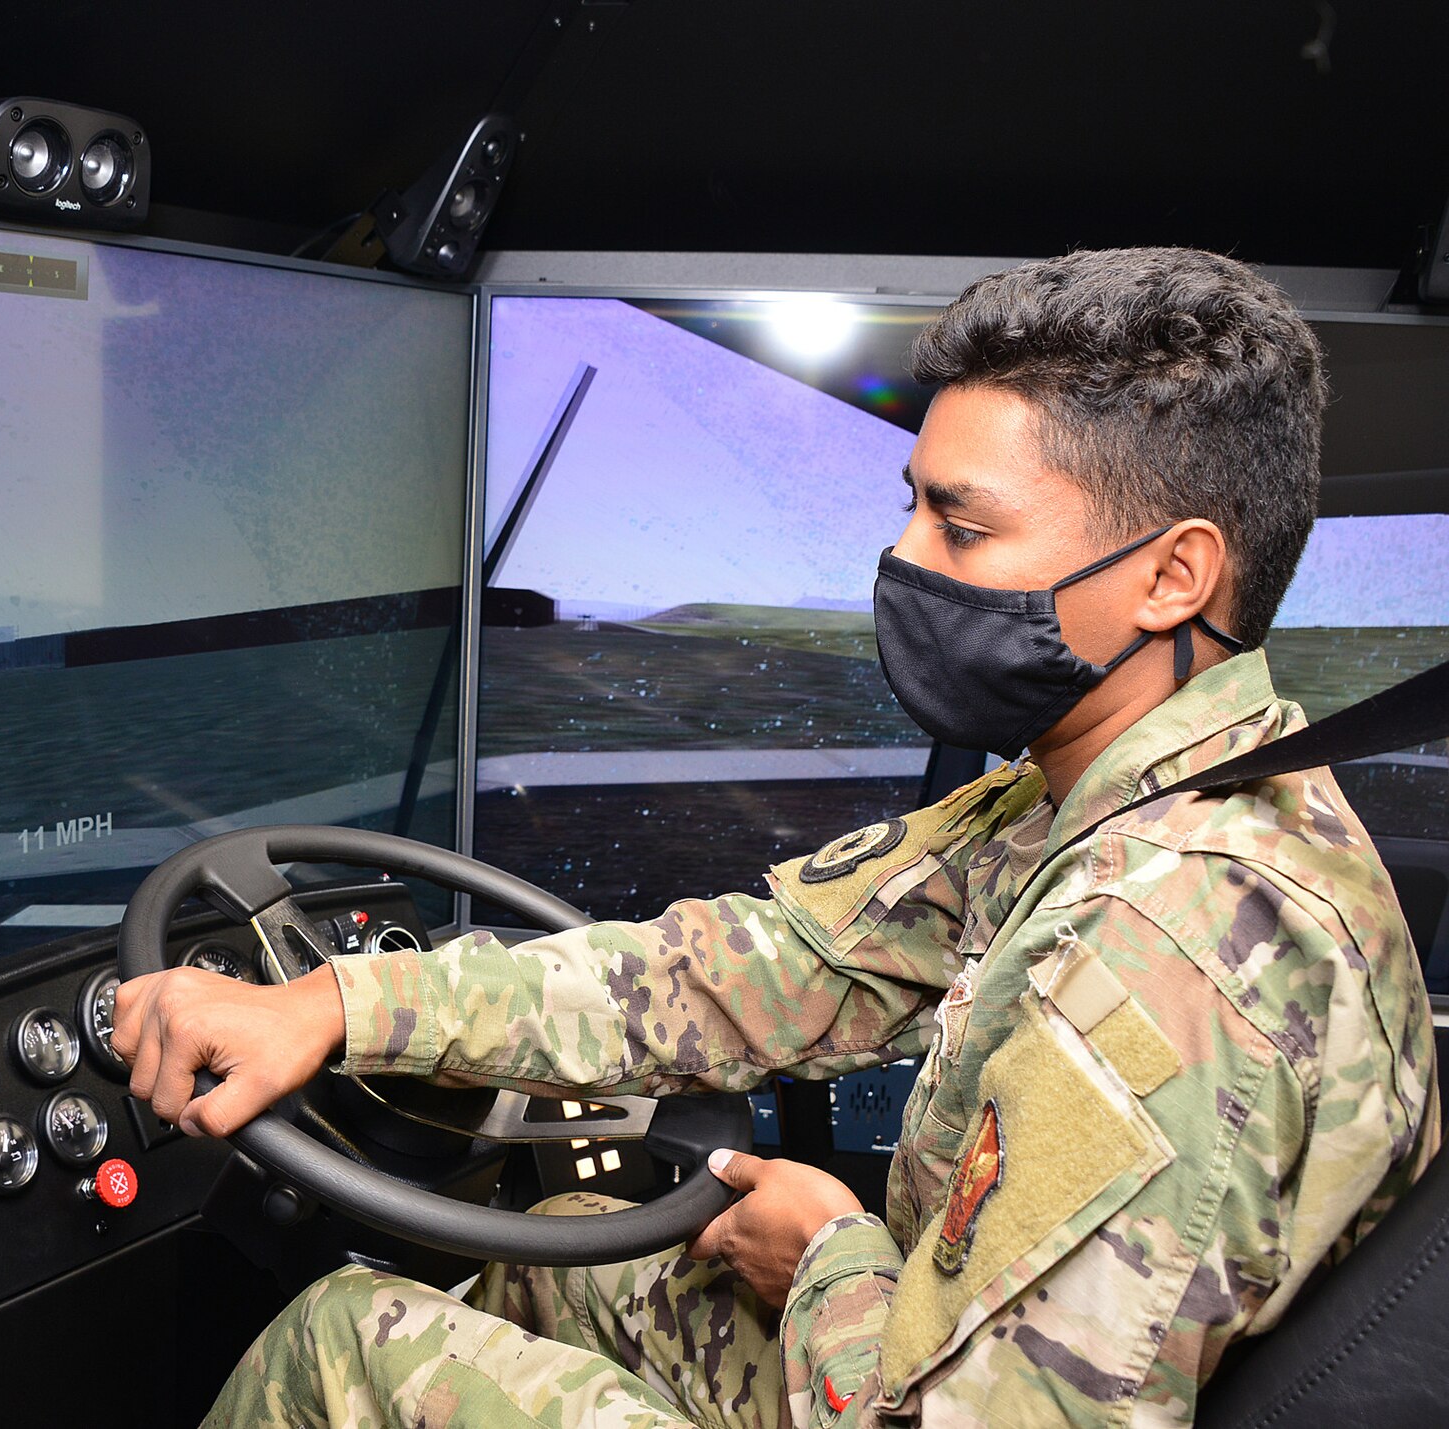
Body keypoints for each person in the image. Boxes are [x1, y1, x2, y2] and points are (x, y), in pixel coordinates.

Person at [113, 247, 1440, 1426]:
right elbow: (759, 964)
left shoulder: (1172, 952)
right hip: (926, 1348)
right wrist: (345, 1000)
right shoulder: (1117, 804)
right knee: (571, 1241)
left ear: (1173, 573)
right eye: (913, 502)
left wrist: (827, 1259)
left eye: (960, 525)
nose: (905, 556)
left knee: (346, 1343)